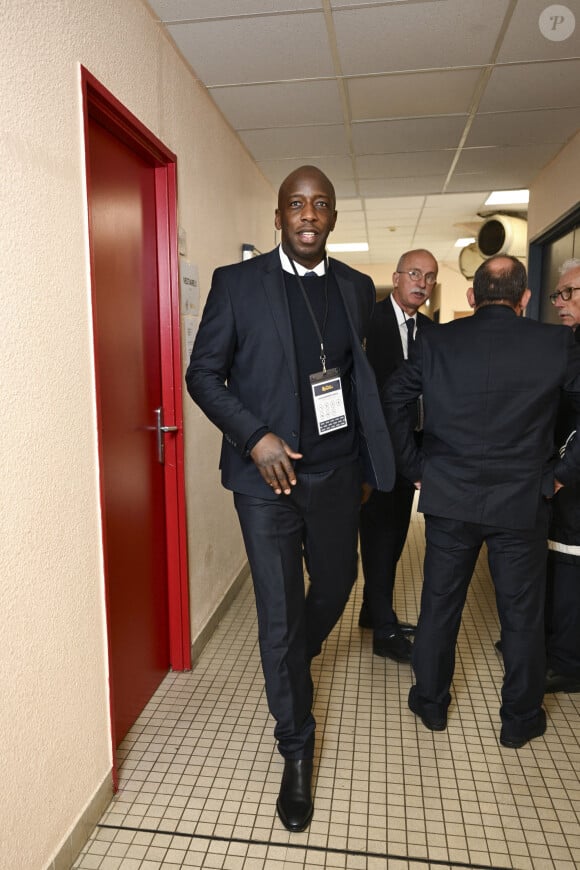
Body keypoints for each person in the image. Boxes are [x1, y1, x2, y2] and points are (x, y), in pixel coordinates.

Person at [186, 165, 395, 832]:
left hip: (335, 474)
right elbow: (203, 373)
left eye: (321, 204)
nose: (308, 214)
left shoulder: (359, 289)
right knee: (277, 613)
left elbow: (362, 384)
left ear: (333, 218)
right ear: (278, 218)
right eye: (295, 205)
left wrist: (366, 461)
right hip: (266, 483)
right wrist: (254, 436)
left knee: (338, 584)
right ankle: (296, 747)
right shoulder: (237, 284)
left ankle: (289, 657)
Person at [383, 255, 580, 749]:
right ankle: (519, 719)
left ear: (472, 296)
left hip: (449, 496)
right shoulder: (556, 344)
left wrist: (416, 467)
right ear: (526, 297)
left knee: (439, 605)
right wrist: (559, 477)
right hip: (523, 501)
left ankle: (430, 703)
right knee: (522, 614)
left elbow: (392, 400)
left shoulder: (437, 341)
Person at [358, 249, 437, 662]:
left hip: (412, 454)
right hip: (374, 456)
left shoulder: (431, 329)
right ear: (397, 276)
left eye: (429, 276)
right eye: (414, 273)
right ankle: (384, 631)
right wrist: (361, 466)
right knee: (378, 538)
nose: (421, 282)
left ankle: (373, 611)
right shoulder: (367, 322)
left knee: (396, 537)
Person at [544, 258, 580, 694]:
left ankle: (569, 662)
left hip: (572, 478)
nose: (560, 303)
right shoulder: (567, 343)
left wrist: (562, 475)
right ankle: (551, 646)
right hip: (561, 472)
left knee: (571, 566)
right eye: (559, 294)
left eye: (570, 293)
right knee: (558, 560)